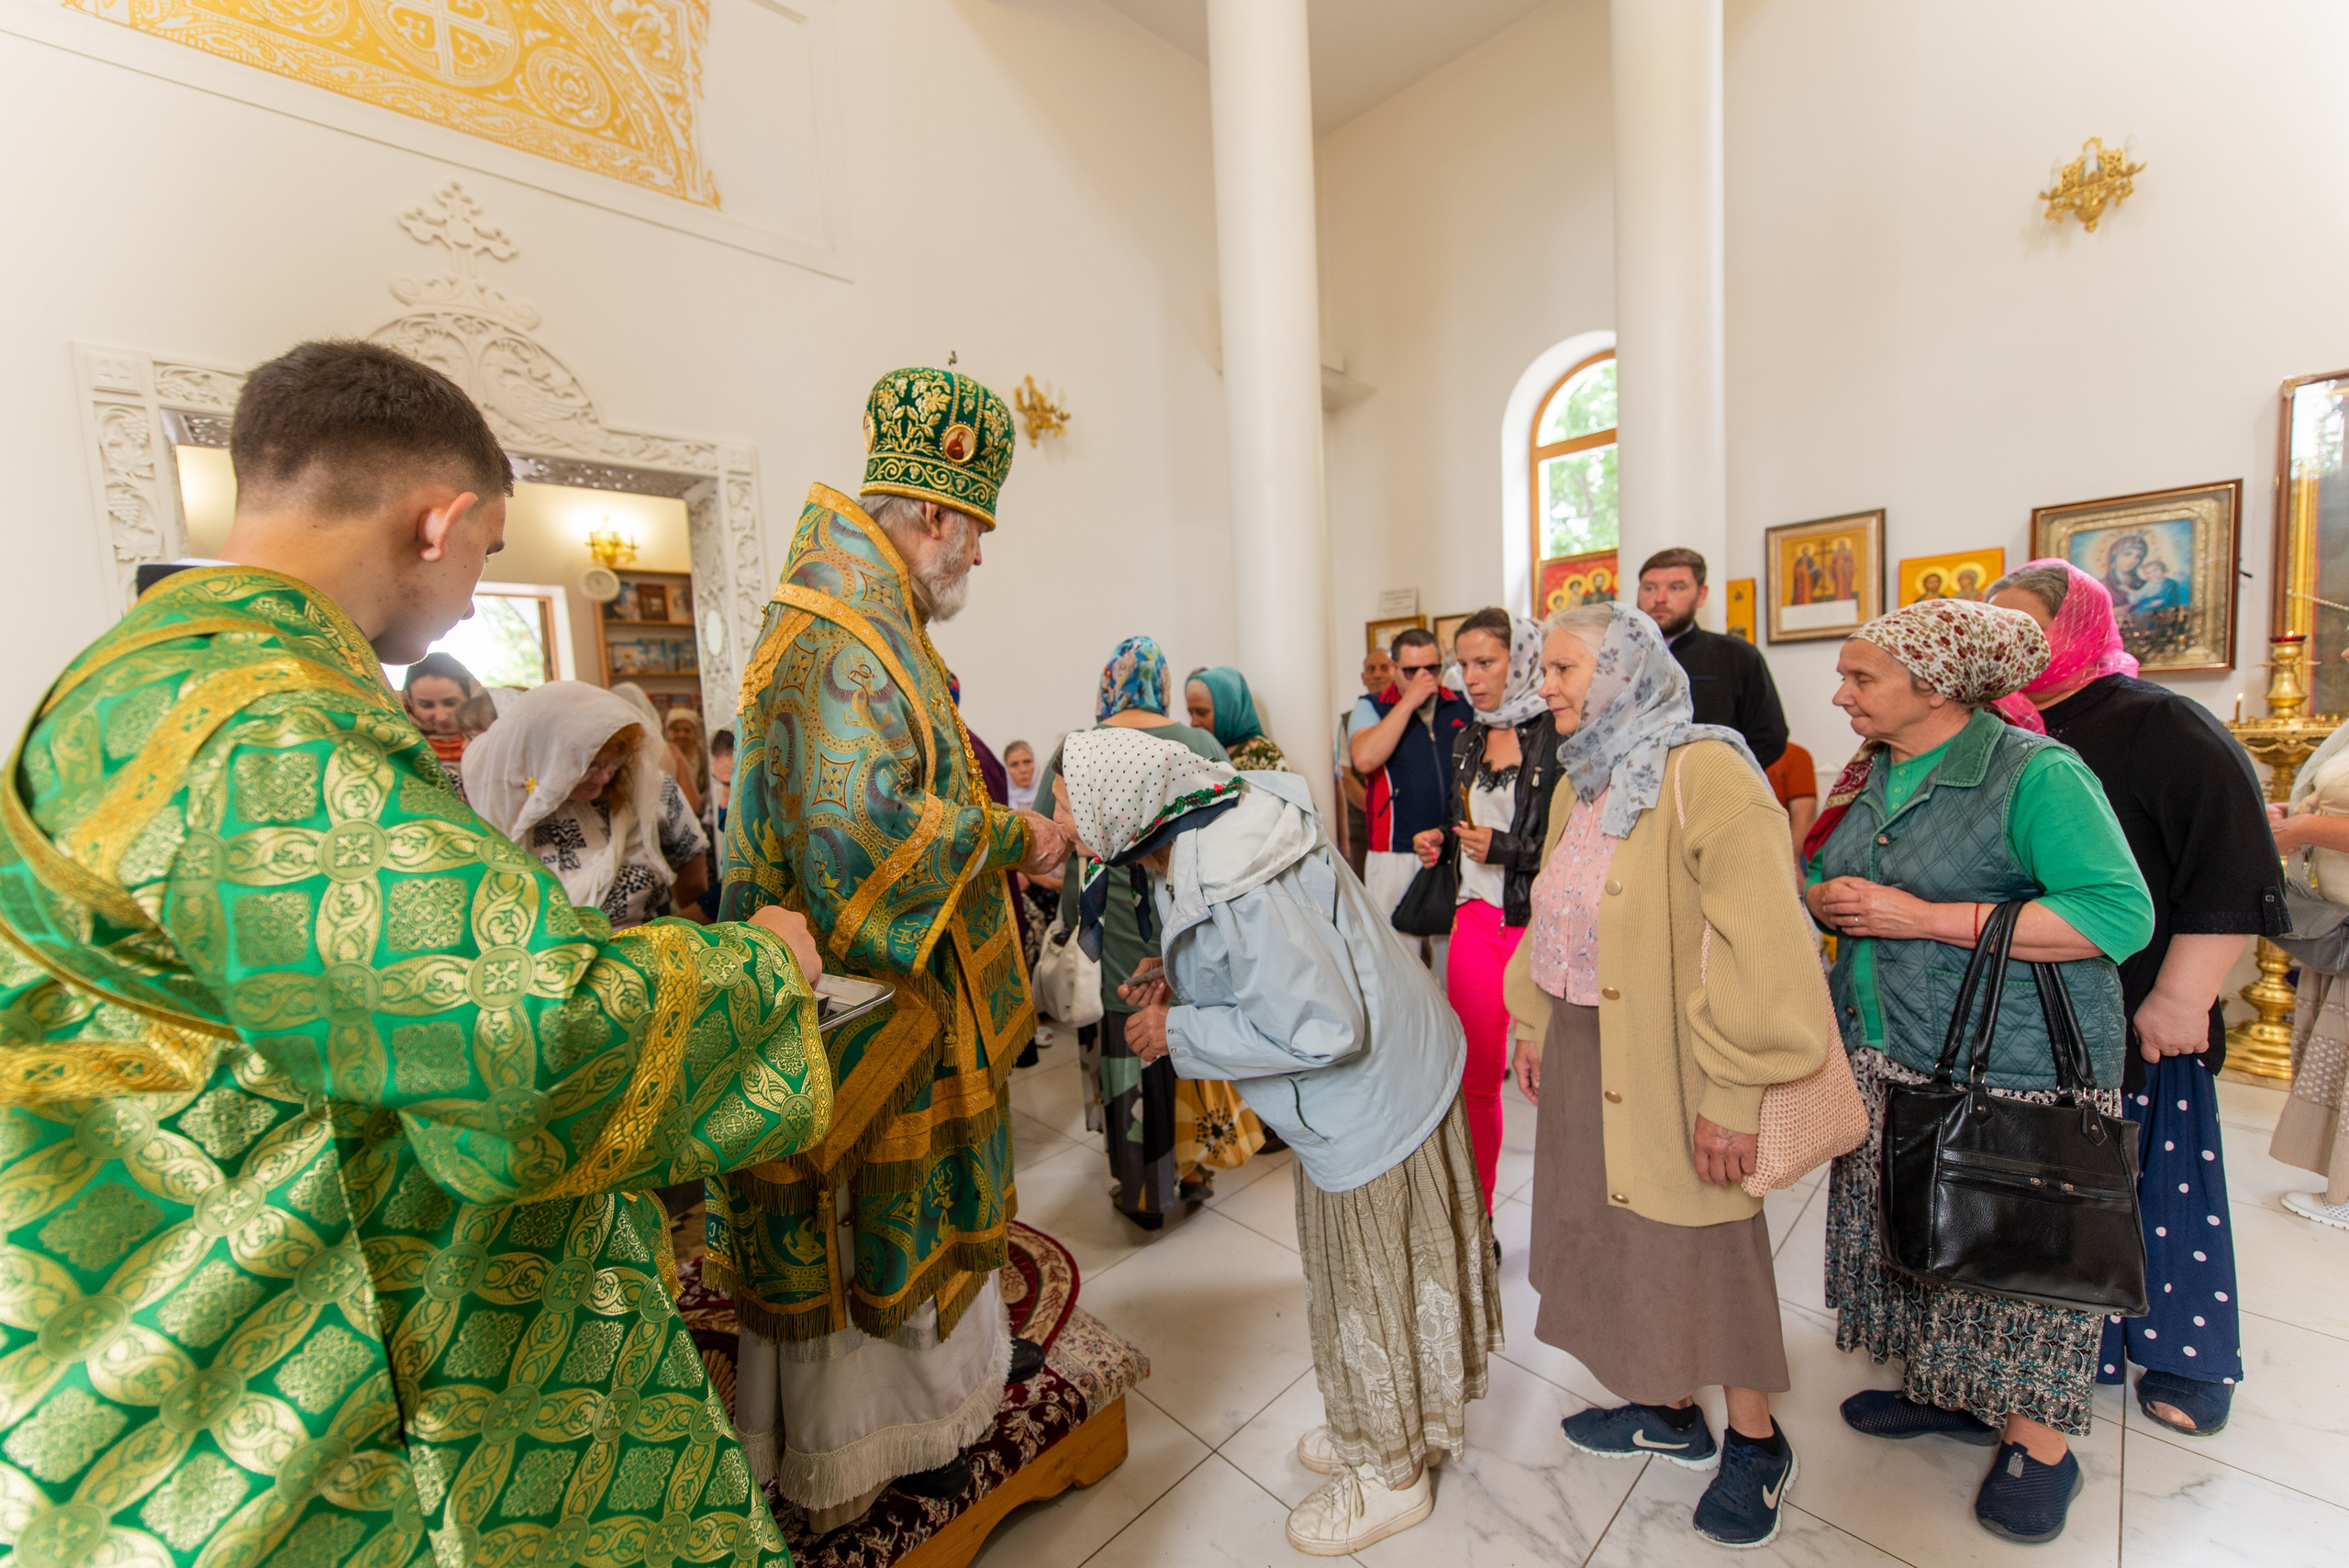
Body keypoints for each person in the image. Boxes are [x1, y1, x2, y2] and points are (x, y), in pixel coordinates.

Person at [0, 339, 833, 1568]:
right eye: (489, 551)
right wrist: (764, 967)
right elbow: (523, 1031)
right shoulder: (266, 722)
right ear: (438, 522)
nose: (474, 592)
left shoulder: (148, 672)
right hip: (297, 1359)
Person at [714, 366, 1068, 1529]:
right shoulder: (844, 636)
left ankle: (952, 1392)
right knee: (872, 1218)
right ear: (930, 514)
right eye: (975, 529)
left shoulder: (870, 614)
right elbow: (865, 834)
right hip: (866, 1003)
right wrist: (1015, 834)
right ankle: (869, 1443)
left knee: (928, 1205)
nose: (980, 555)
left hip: (914, 985)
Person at [1058, 728, 1501, 1555]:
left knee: (1370, 1283)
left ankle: (1393, 1472)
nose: (1059, 827)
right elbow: (1269, 963)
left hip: (1369, 1102)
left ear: (1120, 813)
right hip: (1386, 1078)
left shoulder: (1237, 876)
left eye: (1067, 807)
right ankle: (1382, 1421)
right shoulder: (1216, 818)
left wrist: (1176, 1030)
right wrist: (1180, 973)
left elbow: (1321, 1026)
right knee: (1365, 1278)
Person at [1806, 597, 2154, 1546]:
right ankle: (1953, 1388)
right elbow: (1832, 871)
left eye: (1861, 677)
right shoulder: (1870, 769)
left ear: (1937, 687)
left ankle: (2040, 1445)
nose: (1840, 695)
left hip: (2013, 1062)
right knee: (1921, 1223)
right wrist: (1827, 898)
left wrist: (1922, 917)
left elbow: (2116, 914)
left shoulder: (2036, 771)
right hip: (1890, 1042)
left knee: (2010, 1248)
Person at [1497, 605, 1826, 1549]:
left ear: (1624, 673)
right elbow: (1549, 910)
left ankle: (1756, 1442)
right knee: (1612, 1228)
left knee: (1702, 1242)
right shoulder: (1583, 776)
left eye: (1563, 668)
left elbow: (1767, 948)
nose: (1544, 685)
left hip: (1678, 1057)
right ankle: (1669, 1407)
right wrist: (1532, 1017)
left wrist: (1735, 1094)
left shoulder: (1707, 773)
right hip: (1581, 1038)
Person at [1984, 560, 2280, 1436]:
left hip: (2140, 1007)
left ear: (2076, 627)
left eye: (2025, 629)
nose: (2007, 647)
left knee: (2151, 1184)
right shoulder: (1996, 726)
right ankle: (2075, 1346)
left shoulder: (2160, 723)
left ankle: (2183, 1352)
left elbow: (2234, 865)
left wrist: (2184, 996)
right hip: (2027, 1012)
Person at [1032, 636, 1266, 1222]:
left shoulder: (1080, 750)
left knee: (1126, 1055)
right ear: (1161, 686)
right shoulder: (1200, 742)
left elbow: (1046, 842)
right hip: (1183, 931)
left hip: (1111, 940)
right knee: (1183, 1041)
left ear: (1107, 686)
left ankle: (1143, 1195)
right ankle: (1195, 1168)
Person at [1408, 608, 1558, 1212]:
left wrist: (1503, 849)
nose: (1469, 677)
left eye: (1485, 662)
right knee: (1476, 1081)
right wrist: (1442, 841)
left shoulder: (1558, 733)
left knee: (1556, 1082)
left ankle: (1572, 1224)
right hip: (1474, 918)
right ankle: (1480, 1215)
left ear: (1520, 661)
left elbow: (1570, 847)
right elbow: (1464, 819)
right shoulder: (1469, 735)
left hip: (1536, 926)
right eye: (1463, 663)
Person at [464, 680, 712, 929]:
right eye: (590, 766)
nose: (603, 778)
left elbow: (692, 880)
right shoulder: (499, 798)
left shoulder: (649, 787)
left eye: (612, 765)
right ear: (547, 755)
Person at [1349, 628, 1475, 940]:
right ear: (1394, 669)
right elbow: (1364, 759)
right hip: (1395, 848)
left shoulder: (1461, 704)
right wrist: (1408, 703)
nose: (1423, 678)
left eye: (1431, 669)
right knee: (1397, 949)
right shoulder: (1371, 706)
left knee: (1451, 947)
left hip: (1453, 845)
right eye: (1411, 671)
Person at [1637, 548, 1789, 768]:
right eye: (1650, 588)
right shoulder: (1615, 656)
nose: (1659, 598)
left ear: (1701, 595)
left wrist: (1721, 776)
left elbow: (1770, 737)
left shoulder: (1737, 655)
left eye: (1675, 587)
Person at [1336, 647, 1394, 874]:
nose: (1377, 674)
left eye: (1384, 668)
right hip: (1363, 828)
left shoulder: (1408, 714)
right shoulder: (1347, 720)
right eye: (1371, 669)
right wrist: (1378, 812)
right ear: (1363, 677)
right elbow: (1346, 777)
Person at [611, 680, 702, 817]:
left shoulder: (607, 755)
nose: (681, 735)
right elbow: (692, 805)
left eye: (687, 730)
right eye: (676, 730)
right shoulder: (669, 751)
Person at [1186, 664, 1289, 771]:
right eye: (1190, 713)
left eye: (1202, 712)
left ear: (1227, 710)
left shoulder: (1265, 754)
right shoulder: (1195, 752)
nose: (1193, 723)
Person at [401, 648, 480, 785]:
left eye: (451, 703)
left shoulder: (497, 738)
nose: (441, 717)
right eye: (426, 705)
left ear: (471, 697)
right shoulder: (400, 746)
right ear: (410, 704)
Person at [1765, 740, 1819, 862]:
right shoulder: (1725, 754)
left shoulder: (1794, 754)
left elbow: (1804, 814)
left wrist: (1793, 859)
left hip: (1783, 846)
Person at [1005, 738, 1040, 812]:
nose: (1022, 770)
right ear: (1006, 769)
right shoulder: (1001, 803)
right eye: (1014, 765)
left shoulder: (1049, 798)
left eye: (1027, 762)